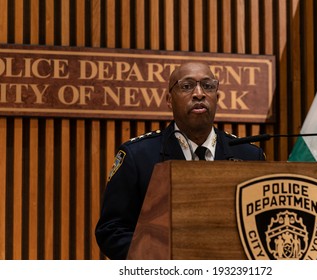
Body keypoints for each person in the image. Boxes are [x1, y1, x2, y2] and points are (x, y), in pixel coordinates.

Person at [95, 62, 265, 260]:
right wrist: (163, 261)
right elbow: (112, 229)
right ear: (169, 99)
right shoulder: (138, 156)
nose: (199, 93)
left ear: (217, 97)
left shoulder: (249, 156)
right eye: (187, 86)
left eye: (208, 86)